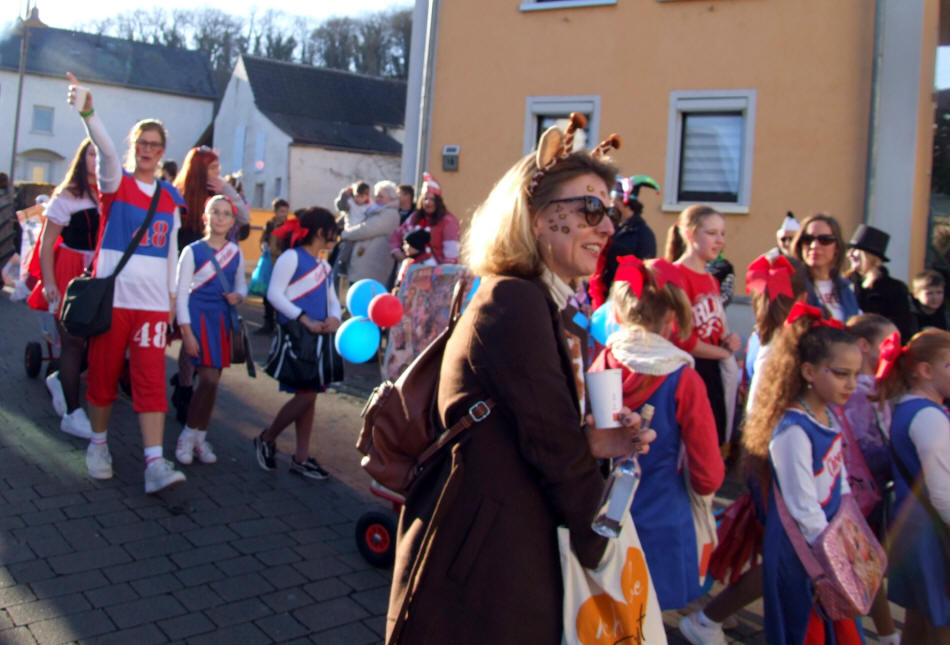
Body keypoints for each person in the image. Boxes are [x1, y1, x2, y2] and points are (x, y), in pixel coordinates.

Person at [387, 117, 653, 643]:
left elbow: (533, 424)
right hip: (484, 562)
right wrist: (600, 540)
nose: (607, 228)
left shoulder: (538, 300)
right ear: (535, 220)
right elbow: (554, 449)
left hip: (498, 541)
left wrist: (597, 439)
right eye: (590, 210)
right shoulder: (516, 300)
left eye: (610, 212)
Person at [66, 72, 186, 493]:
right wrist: (89, 114)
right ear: (134, 146)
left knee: (151, 382)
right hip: (112, 300)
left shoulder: (171, 198)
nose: (148, 150)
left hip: (152, 305)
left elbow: (171, 250)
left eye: (155, 145)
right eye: (142, 143)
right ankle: (98, 444)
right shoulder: (115, 183)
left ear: (164, 151)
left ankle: (155, 463)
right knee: (101, 376)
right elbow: (105, 150)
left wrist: (172, 299)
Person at [590, 255, 724, 610]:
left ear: (617, 313)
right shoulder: (684, 378)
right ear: (672, 318)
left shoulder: (603, 364)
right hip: (665, 517)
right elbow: (708, 471)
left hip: (605, 514)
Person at [744, 303, 864, 645]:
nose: (851, 384)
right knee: (804, 631)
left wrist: (850, 533)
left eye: (856, 374)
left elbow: (839, 484)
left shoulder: (828, 417)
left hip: (828, 541)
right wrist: (834, 556)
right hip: (803, 550)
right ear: (809, 372)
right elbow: (802, 505)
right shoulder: (792, 429)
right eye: (840, 373)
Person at [255, 207, 340, 480]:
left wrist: (335, 318)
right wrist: (304, 319)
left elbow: (333, 299)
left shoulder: (323, 265)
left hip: (317, 339)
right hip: (297, 336)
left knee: (310, 394)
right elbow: (274, 295)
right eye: (332, 231)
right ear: (319, 232)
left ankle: (301, 456)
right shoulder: (292, 257)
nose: (335, 237)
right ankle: (267, 438)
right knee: (306, 395)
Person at [878, 328, 950, 645]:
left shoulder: (911, 407)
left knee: (919, 618)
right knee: (940, 622)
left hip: (915, 528)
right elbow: (942, 492)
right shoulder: (928, 416)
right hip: (933, 532)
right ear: (925, 370)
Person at [170, 146, 250, 422]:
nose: (218, 173)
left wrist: (227, 187)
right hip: (188, 273)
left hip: (219, 277)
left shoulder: (222, 197)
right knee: (186, 338)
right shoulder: (178, 197)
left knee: (206, 348)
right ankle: (182, 389)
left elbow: (244, 217)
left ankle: (189, 393)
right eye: (213, 168)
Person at [25, 138, 98, 439]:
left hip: (101, 273)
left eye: (102, 155)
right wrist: (50, 283)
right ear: (82, 160)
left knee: (93, 343)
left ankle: (57, 378)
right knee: (72, 342)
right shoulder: (66, 197)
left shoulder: (110, 194)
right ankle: (71, 412)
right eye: (92, 154)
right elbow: (45, 244)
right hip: (69, 272)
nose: (98, 160)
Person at [173, 195, 246, 465]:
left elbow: (242, 286)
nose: (220, 217)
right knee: (207, 380)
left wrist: (238, 296)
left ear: (232, 221)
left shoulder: (235, 252)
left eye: (226, 213)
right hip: (198, 319)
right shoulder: (192, 251)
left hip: (222, 320)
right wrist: (187, 333)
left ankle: (200, 438)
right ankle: (187, 435)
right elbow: (181, 294)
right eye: (215, 211)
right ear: (205, 217)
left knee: (213, 385)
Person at [842, 313, 900, 645]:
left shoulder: (875, 387)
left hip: (869, 494)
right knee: (861, 566)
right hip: (858, 496)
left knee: (868, 567)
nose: (895, 349)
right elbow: (860, 450)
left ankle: (887, 633)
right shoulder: (858, 393)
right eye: (888, 342)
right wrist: (899, 455)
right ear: (864, 346)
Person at [666, 204, 742, 445]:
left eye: (722, 233)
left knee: (715, 439)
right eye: (711, 233)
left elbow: (714, 327)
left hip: (714, 370)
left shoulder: (710, 278)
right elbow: (681, 339)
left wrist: (728, 340)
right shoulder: (676, 274)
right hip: (691, 370)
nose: (719, 240)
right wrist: (722, 352)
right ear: (689, 234)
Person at [588, 175, 658, 308]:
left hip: (625, 302)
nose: (611, 205)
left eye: (613, 200)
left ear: (624, 202)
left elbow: (644, 273)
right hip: (603, 296)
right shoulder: (612, 227)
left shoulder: (643, 234)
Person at [847, 224, 916, 341]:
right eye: (850, 250)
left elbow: (902, 328)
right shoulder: (844, 283)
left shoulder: (894, 288)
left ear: (871, 256)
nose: (850, 255)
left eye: (856, 250)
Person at [792, 213, 860, 324]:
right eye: (807, 239)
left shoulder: (846, 289)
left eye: (824, 240)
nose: (814, 245)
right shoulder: (792, 285)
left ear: (837, 247)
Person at [389, 172, 460, 266]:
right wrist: (400, 255)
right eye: (425, 199)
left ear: (438, 202)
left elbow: (451, 254)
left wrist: (444, 273)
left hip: (436, 272)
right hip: (413, 271)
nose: (428, 203)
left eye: (432, 199)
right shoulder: (415, 217)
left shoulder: (448, 221)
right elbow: (397, 236)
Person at [339, 180, 400, 287]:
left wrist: (345, 234)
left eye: (381, 196)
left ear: (391, 198)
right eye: (376, 196)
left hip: (371, 270)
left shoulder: (390, 214)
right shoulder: (376, 210)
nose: (377, 199)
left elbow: (365, 229)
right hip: (363, 268)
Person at [254, 198, 290, 335]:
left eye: (286, 211)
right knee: (267, 294)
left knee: (280, 294)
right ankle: (268, 323)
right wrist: (264, 245)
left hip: (282, 263)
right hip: (270, 264)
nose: (284, 214)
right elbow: (263, 239)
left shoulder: (288, 227)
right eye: (281, 211)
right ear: (275, 212)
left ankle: (280, 324)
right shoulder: (269, 225)